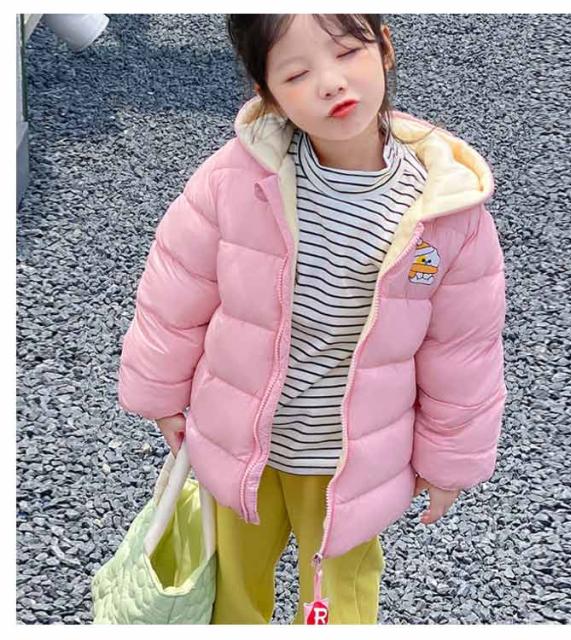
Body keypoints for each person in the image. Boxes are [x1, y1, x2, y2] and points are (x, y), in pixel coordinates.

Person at [117, 14, 507, 625]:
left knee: (336, 604)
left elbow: (462, 351)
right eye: (297, 74)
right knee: (231, 591)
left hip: (349, 463)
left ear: (384, 48)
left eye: (347, 52)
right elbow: (176, 288)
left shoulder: (444, 211)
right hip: (242, 441)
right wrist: (160, 393)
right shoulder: (239, 177)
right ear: (267, 93)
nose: (330, 83)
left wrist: (449, 463)